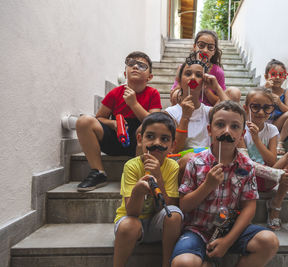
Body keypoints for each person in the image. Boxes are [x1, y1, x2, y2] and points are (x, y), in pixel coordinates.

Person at [171, 101, 279, 267]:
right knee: (183, 263)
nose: (227, 131)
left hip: (231, 230)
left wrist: (227, 241)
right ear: (209, 130)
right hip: (197, 230)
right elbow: (184, 205)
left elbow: (249, 207)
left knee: (269, 241)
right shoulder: (196, 163)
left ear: (242, 134)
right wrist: (208, 185)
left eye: (234, 126)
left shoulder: (246, 166)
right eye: (220, 125)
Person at [76, 51, 161, 192]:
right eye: (131, 64)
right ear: (125, 72)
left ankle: (137, 174)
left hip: (140, 142)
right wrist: (113, 123)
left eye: (141, 65)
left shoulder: (153, 93)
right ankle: (98, 172)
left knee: (144, 129)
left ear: (149, 77)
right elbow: (99, 118)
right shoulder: (115, 93)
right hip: (117, 136)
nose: (135, 67)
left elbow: (154, 123)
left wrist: (133, 104)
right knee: (84, 121)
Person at [113, 112, 183, 267]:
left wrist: (158, 175)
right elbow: (132, 213)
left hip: (156, 223)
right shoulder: (132, 166)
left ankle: (167, 263)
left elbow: (168, 205)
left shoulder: (172, 166)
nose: (156, 143)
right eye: (150, 136)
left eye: (164, 139)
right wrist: (138, 192)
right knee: (130, 225)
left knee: (174, 216)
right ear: (140, 139)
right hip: (132, 222)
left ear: (172, 146)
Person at [240, 87, 288, 231]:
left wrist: (257, 139)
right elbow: (245, 163)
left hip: (267, 178)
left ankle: (275, 205)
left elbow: (272, 160)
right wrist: (276, 174)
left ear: (272, 109)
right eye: (255, 107)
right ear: (246, 108)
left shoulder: (272, 130)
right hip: (246, 178)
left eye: (266, 108)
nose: (261, 112)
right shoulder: (240, 129)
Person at [165, 52, 229, 181]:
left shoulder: (208, 111)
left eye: (199, 75)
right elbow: (175, 148)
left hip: (207, 162)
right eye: (188, 74)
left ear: (204, 83)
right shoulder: (170, 113)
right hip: (180, 163)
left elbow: (231, 111)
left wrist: (216, 87)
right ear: (180, 80)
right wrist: (185, 117)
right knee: (189, 159)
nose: (193, 78)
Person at [170, 30, 226, 106]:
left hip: (208, 110)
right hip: (186, 107)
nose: (205, 50)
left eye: (210, 47)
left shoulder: (218, 72)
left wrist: (206, 90)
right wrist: (179, 82)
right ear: (194, 47)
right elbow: (173, 98)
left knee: (234, 92)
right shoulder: (184, 68)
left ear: (214, 51)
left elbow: (221, 102)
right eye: (201, 45)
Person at [264, 59, 288, 155]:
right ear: (266, 76)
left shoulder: (286, 92)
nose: (277, 78)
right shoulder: (263, 90)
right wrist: (266, 90)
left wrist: (280, 103)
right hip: (264, 125)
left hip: (278, 124)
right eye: (274, 74)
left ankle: (279, 141)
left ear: (285, 77)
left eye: (281, 75)